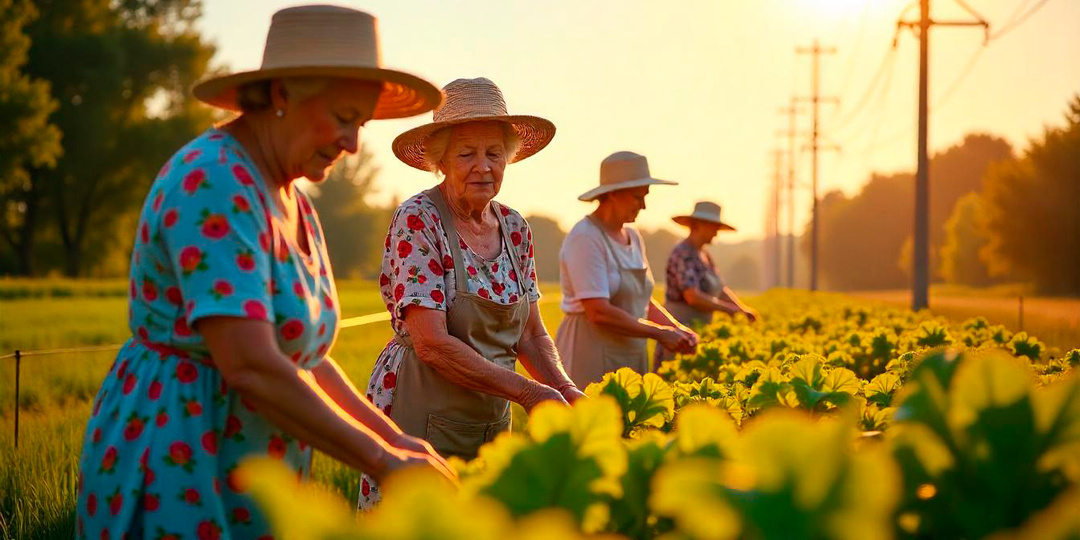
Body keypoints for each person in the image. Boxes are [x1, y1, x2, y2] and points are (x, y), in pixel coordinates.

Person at [75, 6, 454, 538]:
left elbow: (306, 360)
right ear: (283, 95)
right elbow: (250, 363)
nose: (352, 144)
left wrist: (398, 441)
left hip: (251, 465)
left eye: (360, 124)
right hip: (180, 456)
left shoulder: (293, 197)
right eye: (344, 116)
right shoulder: (214, 180)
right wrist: (381, 461)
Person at [359, 77, 585, 509]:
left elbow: (532, 335)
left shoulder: (515, 227)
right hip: (418, 414)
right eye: (467, 154)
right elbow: (432, 343)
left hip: (489, 421)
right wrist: (529, 393)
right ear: (441, 160)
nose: (483, 166)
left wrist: (563, 387)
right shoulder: (418, 219)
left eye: (494, 153)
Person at [555, 151, 699, 387]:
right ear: (612, 194)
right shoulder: (585, 237)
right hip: (589, 352)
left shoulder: (633, 236)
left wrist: (677, 329)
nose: (643, 205)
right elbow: (598, 312)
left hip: (631, 352)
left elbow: (644, 301)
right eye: (636, 196)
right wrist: (660, 334)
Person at [655, 201, 759, 367]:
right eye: (714, 228)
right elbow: (692, 296)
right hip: (680, 328)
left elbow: (720, 289)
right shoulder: (683, 252)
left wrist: (740, 308)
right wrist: (728, 310)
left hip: (700, 327)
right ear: (697, 226)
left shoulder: (704, 255)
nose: (716, 234)